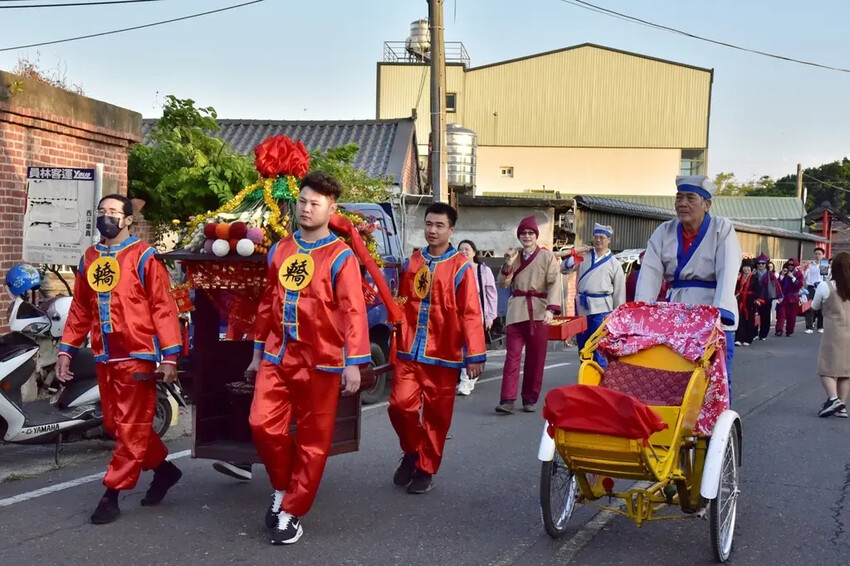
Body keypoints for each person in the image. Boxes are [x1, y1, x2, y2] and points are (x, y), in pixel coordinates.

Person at [248, 172, 370, 545]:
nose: (306, 208)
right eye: (302, 201)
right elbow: (268, 301)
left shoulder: (341, 256)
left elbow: (353, 311)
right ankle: (282, 487)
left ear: (331, 209)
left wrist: (353, 361)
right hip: (278, 353)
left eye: (315, 203)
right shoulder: (280, 249)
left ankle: (292, 512)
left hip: (323, 360)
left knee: (313, 439)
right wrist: (256, 352)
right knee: (261, 424)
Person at [56, 194, 183, 525]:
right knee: (115, 424)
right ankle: (165, 470)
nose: (106, 217)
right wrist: (67, 350)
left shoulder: (144, 257)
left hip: (138, 353)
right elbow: (80, 308)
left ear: (128, 220)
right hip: (104, 353)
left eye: (113, 212)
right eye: (102, 211)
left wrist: (169, 356)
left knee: (130, 426)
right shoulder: (90, 258)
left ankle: (111, 494)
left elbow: (163, 306)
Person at [389, 203, 486, 494]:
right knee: (399, 406)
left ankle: (425, 468)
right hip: (409, 349)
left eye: (439, 225)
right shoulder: (413, 261)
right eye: (429, 224)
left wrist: (475, 353)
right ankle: (412, 451)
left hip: (443, 353)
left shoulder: (460, 267)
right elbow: (402, 301)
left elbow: (471, 312)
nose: (432, 230)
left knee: (437, 416)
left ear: (451, 230)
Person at [635, 175, 742, 396]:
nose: (682, 203)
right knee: (676, 379)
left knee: (715, 381)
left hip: (713, 311)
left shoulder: (721, 228)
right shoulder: (664, 231)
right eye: (679, 197)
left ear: (707, 204)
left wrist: (719, 313)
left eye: (690, 198)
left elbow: (728, 268)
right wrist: (642, 313)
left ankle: (718, 417)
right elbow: (650, 272)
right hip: (677, 314)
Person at [496, 216, 562, 414]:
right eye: (523, 233)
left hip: (539, 310)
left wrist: (551, 309)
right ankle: (507, 399)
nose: (527, 236)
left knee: (536, 358)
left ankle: (530, 398)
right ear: (519, 236)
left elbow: (554, 283)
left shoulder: (547, 257)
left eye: (530, 233)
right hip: (517, 310)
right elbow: (503, 283)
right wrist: (508, 263)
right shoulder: (514, 255)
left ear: (536, 236)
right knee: (512, 357)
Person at [561, 223, 626, 368]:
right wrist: (576, 253)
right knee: (583, 345)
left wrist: (617, 316)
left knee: (598, 346)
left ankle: (600, 377)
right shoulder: (584, 257)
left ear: (609, 240)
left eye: (602, 237)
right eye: (596, 237)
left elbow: (619, 292)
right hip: (582, 307)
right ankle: (585, 375)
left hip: (602, 308)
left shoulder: (614, 263)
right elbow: (564, 269)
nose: (598, 240)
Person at [456, 239, 497, 396]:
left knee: (470, 348)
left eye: (467, 249)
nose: (463, 252)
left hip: (476, 315)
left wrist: (490, 316)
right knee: (460, 349)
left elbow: (491, 295)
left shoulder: (483, 271)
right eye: (460, 249)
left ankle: (465, 382)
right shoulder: (455, 270)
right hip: (458, 316)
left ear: (474, 252)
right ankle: (468, 378)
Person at [813, 251, 850, 418]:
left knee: (826, 368)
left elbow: (814, 306)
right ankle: (842, 406)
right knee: (845, 371)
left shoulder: (825, 286)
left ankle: (833, 399)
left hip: (834, 333)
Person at [753, 253, 782, 341]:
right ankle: (754, 333)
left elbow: (776, 285)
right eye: (759, 263)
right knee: (754, 316)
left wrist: (780, 295)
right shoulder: (754, 274)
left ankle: (763, 334)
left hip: (766, 298)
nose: (761, 265)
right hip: (755, 298)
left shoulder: (770, 274)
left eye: (763, 263)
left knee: (765, 317)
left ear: (766, 264)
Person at [734, 259, 760, 346]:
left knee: (749, 320)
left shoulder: (754, 278)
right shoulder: (739, 278)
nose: (746, 269)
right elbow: (735, 288)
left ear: (751, 268)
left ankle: (748, 339)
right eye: (744, 267)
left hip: (750, 301)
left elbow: (758, 290)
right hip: (740, 301)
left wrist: (757, 299)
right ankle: (738, 338)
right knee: (740, 320)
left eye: (748, 267)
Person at [775, 259, 804, 337]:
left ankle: (789, 331)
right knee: (781, 315)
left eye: (792, 265)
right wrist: (782, 276)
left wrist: (793, 277)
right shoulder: (783, 273)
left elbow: (799, 285)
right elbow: (777, 284)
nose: (790, 266)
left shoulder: (798, 274)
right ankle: (779, 330)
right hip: (783, 298)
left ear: (795, 266)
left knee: (792, 316)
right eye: (789, 264)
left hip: (793, 298)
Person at [805, 247, 828, 334]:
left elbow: (827, 277)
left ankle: (820, 326)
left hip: (822, 287)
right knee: (809, 307)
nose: (817, 256)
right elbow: (804, 276)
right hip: (811, 287)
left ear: (823, 255)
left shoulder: (825, 265)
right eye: (816, 254)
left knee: (822, 307)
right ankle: (809, 327)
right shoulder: (810, 265)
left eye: (819, 254)